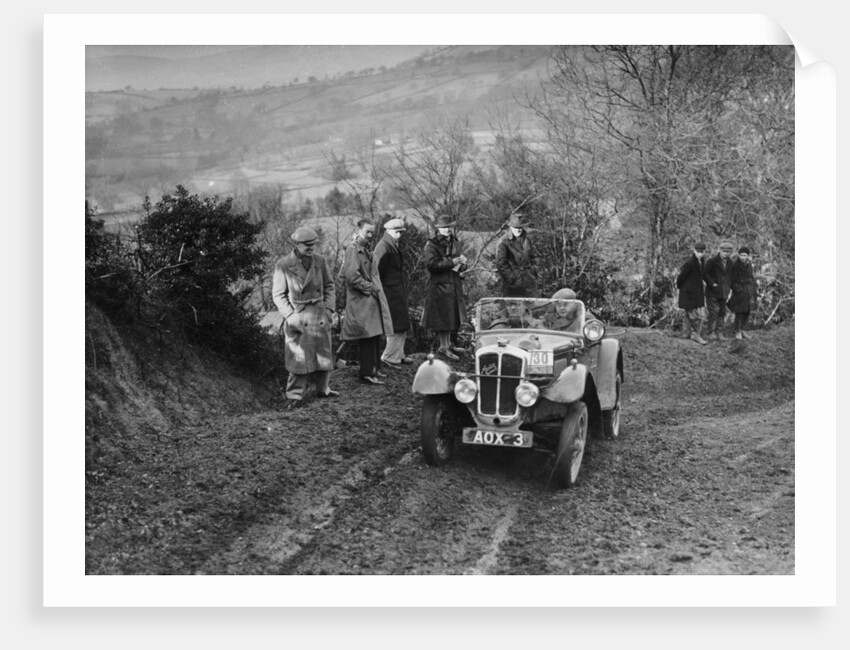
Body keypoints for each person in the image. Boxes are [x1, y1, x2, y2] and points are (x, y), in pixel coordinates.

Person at [272, 226, 338, 406]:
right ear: (297, 244)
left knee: (324, 354)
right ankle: (294, 396)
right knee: (298, 358)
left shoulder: (320, 261)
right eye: (307, 245)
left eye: (313, 244)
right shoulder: (284, 264)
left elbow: (330, 286)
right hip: (298, 317)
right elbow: (278, 295)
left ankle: (323, 389)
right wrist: (291, 316)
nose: (311, 248)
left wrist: (329, 309)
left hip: (319, 314)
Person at [340, 219, 393, 385]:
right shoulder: (352, 250)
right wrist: (370, 288)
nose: (370, 235)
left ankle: (375, 369)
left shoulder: (365, 250)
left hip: (370, 300)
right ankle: (366, 373)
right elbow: (351, 277)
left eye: (372, 232)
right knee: (367, 337)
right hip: (361, 301)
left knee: (375, 335)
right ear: (358, 230)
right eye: (367, 232)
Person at [421, 214, 468, 361]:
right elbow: (431, 265)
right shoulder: (431, 244)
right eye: (444, 227)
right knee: (443, 317)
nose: (448, 230)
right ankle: (443, 346)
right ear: (438, 228)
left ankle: (448, 344)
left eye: (449, 227)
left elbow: (456, 259)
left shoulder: (453, 241)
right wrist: (452, 262)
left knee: (451, 316)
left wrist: (462, 265)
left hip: (452, 283)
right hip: (439, 286)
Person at [373, 217, 414, 368]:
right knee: (395, 324)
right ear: (388, 231)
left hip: (396, 291)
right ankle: (390, 356)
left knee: (401, 323)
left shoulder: (391, 244)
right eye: (396, 232)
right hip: (389, 293)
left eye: (401, 232)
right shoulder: (383, 246)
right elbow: (376, 272)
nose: (399, 235)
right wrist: (381, 292)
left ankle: (398, 354)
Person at [496, 212, 539, 297]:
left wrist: (534, 271)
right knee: (512, 306)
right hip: (512, 282)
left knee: (533, 306)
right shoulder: (503, 241)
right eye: (516, 228)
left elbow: (535, 257)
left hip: (529, 279)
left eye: (521, 227)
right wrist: (511, 278)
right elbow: (501, 263)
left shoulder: (528, 239)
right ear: (510, 227)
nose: (519, 230)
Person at [676, 242, 709, 345]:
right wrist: (683, 288)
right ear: (694, 251)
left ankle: (686, 333)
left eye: (702, 252)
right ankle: (695, 335)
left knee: (689, 313)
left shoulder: (702, 262)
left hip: (696, 292)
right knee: (696, 315)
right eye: (698, 251)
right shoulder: (690, 263)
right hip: (688, 293)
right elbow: (681, 278)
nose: (700, 254)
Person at [702, 240, 735, 341]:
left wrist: (731, 288)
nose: (726, 253)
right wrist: (712, 283)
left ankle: (719, 333)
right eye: (724, 251)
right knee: (714, 312)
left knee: (722, 312)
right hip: (712, 292)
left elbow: (732, 277)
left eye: (728, 252)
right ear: (720, 250)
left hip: (724, 292)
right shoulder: (712, 261)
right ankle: (710, 333)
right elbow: (704, 274)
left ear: (730, 252)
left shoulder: (731, 263)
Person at [727, 246, 758, 340]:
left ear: (748, 256)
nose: (742, 257)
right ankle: (737, 331)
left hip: (749, 292)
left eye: (744, 255)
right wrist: (738, 289)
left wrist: (754, 287)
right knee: (739, 313)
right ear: (738, 255)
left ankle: (743, 330)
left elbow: (751, 277)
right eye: (741, 255)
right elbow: (731, 280)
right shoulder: (735, 265)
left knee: (747, 312)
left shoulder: (749, 265)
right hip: (740, 293)